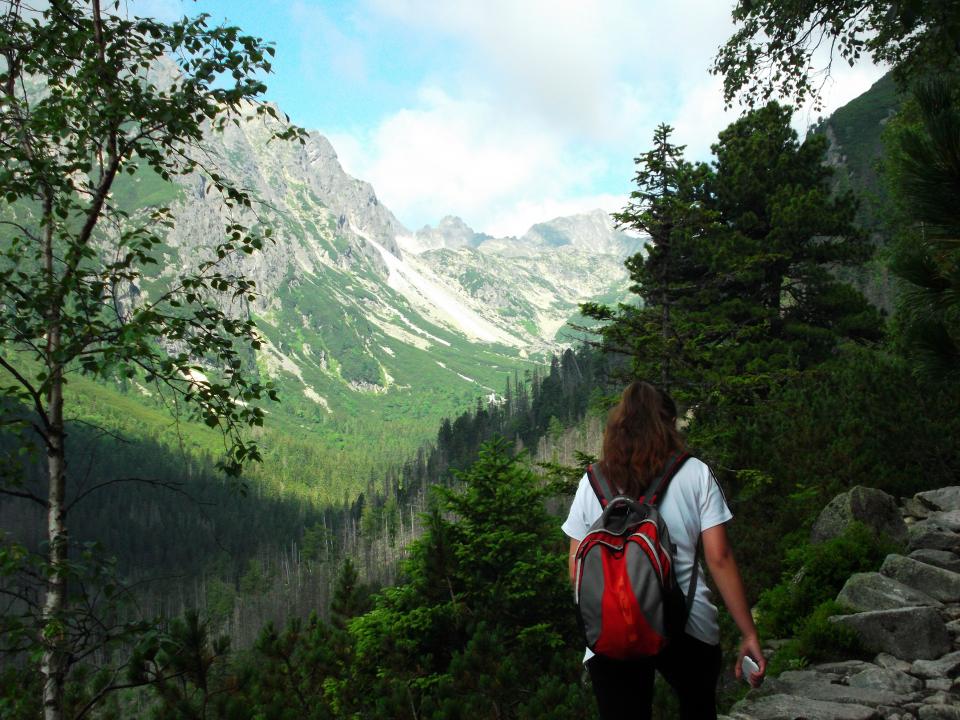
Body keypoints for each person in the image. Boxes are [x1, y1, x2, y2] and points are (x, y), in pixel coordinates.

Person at [561, 381, 765, 720]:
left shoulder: (593, 481)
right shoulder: (695, 473)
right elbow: (719, 558)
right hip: (687, 622)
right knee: (697, 707)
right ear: (668, 426)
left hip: (613, 625)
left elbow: (576, 568)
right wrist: (749, 632)